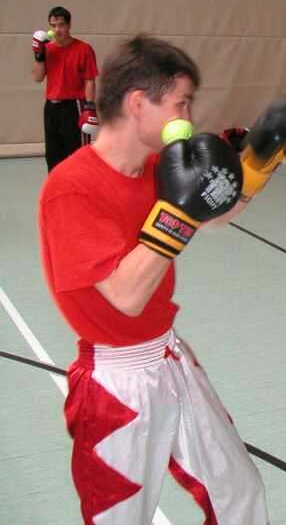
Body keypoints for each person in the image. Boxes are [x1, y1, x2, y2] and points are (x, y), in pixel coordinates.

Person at [38, 35, 272, 524]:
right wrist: (178, 211)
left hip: (168, 355)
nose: (188, 114)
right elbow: (125, 295)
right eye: (181, 103)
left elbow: (214, 214)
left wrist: (264, 159)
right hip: (116, 384)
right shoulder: (71, 187)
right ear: (138, 102)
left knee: (239, 493)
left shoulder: (153, 169)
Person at [31, 6, 99, 171]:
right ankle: (56, 187)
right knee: (53, 155)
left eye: (61, 25)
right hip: (51, 108)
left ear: (69, 25)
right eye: (53, 26)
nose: (57, 30)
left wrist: (89, 107)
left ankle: (81, 187)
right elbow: (37, 77)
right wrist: (39, 55)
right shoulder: (47, 49)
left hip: (74, 106)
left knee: (77, 155)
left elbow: (90, 81)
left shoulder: (83, 49)